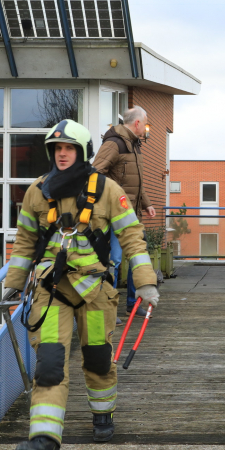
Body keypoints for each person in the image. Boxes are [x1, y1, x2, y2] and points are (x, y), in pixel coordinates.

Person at [5, 120, 160, 450]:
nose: (62, 154)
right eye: (56, 148)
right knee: (49, 364)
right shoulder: (37, 191)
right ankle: (45, 441)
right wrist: (13, 285)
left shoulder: (107, 190)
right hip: (51, 290)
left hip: (95, 291)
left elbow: (132, 236)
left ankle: (102, 414)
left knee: (97, 359)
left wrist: (145, 280)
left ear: (82, 151)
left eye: (69, 148)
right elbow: (25, 242)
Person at [92, 106, 156, 318]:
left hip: (130, 212)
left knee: (137, 257)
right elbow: (96, 173)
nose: (147, 127)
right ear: (136, 123)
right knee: (115, 261)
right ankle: (108, 308)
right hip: (115, 213)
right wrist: (114, 198)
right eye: (145, 122)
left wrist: (146, 203)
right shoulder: (114, 143)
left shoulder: (134, 145)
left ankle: (132, 303)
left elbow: (135, 182)